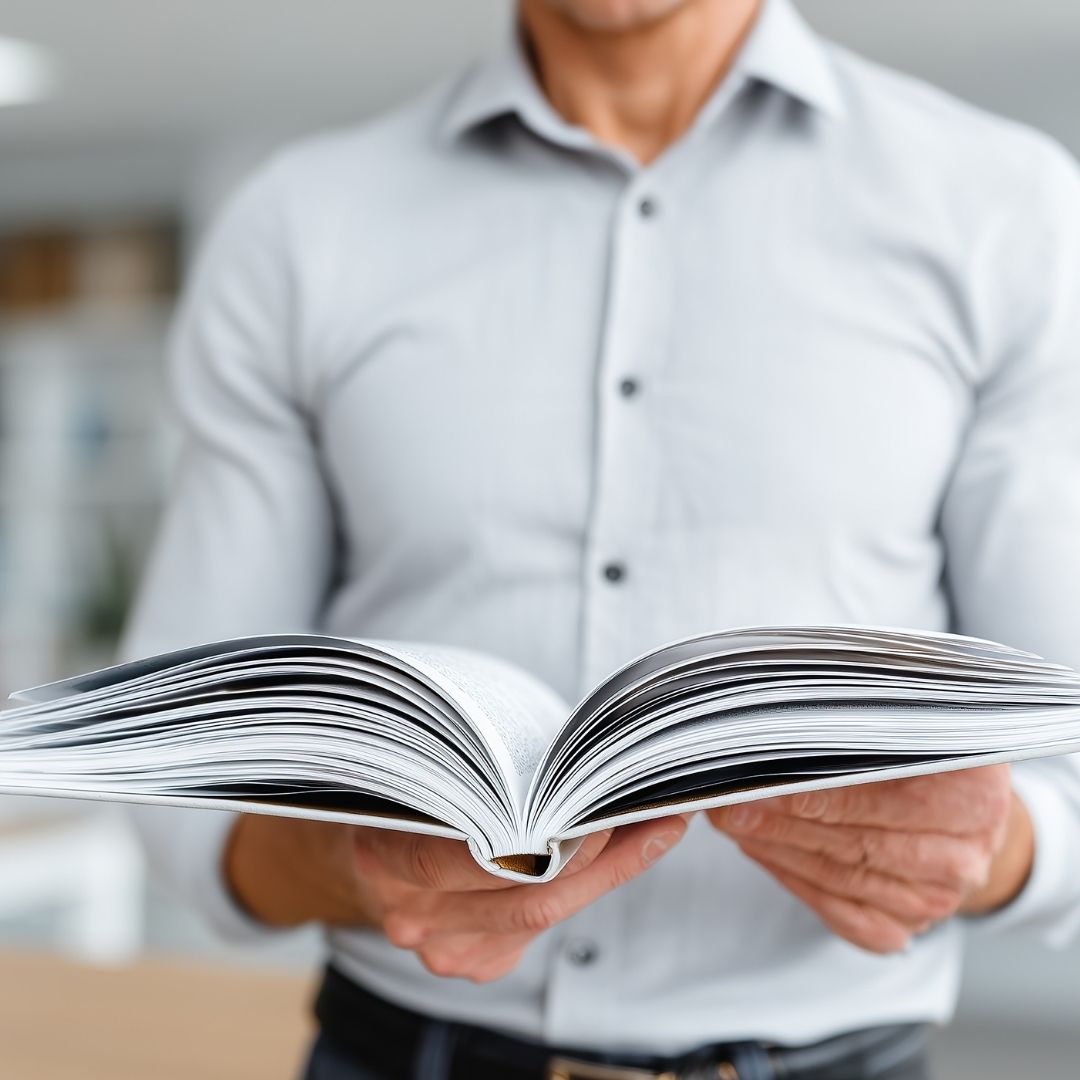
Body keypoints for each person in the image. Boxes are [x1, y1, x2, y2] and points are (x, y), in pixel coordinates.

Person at [123, 0, 1080, 1077]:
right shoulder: (297, 227)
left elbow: (1069, 748)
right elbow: (189, 774)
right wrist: (354, 860)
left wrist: (984, 849)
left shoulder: (1007, 208)